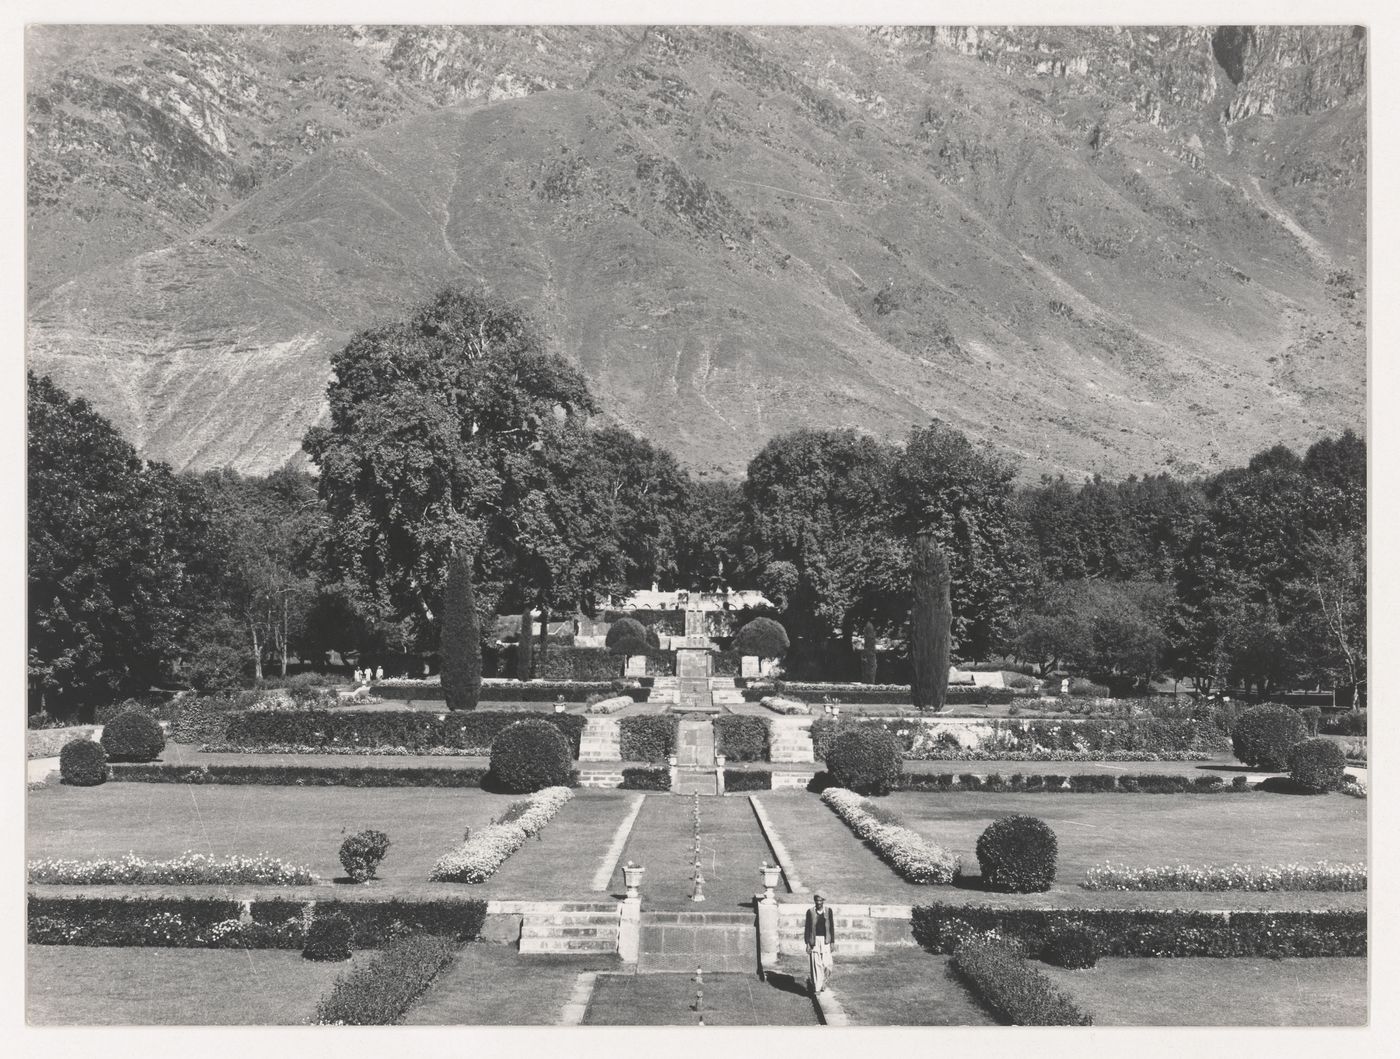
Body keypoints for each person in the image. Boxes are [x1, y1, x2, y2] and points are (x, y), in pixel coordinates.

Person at [804, 893, 836, 994]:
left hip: (826, 940)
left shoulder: (828, 911)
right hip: (814, 940)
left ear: (823, 901)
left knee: (828, 964)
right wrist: (807, 943)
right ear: (815, 901)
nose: (818, 902)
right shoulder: (810, 912)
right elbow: (807, 928)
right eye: (817, 900)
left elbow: (831, 927)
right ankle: (817, 988)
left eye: (820, 900)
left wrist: (832, 942)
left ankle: (823, 982)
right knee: (816, 964)